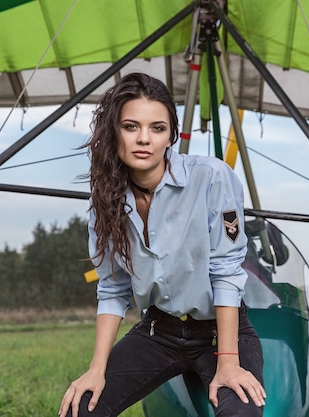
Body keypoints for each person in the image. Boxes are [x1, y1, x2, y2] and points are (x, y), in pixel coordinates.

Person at [59, 72, 266, 417]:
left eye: (157, 128)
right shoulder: (104, 203)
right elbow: (112, 289)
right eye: (130, 126)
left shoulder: (212, 177)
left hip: (218, 332)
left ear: (171, 135)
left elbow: (226, 272)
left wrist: (228, 363)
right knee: (81, 409)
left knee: (241, 413)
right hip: (158, 332)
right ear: (114, 132)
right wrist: (96, 370)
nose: (144, 139)